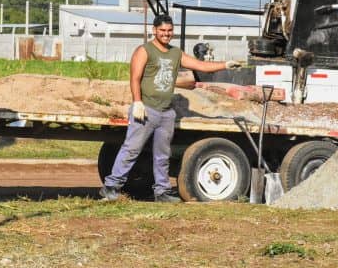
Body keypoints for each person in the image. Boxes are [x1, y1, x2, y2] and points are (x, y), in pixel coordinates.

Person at [101, 14, 242, 203]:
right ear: (154, 30)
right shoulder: (144, 50)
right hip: (146, 109)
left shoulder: (176, 53)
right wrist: (137, 102)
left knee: (162, 155)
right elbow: (134, 78)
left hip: (166, 113)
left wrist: (225, 64)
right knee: (132, 149)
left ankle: (162, 192)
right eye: (162, 31)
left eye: (169, 31)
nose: (166, 34)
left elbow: (200, 65)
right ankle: (111, 187)